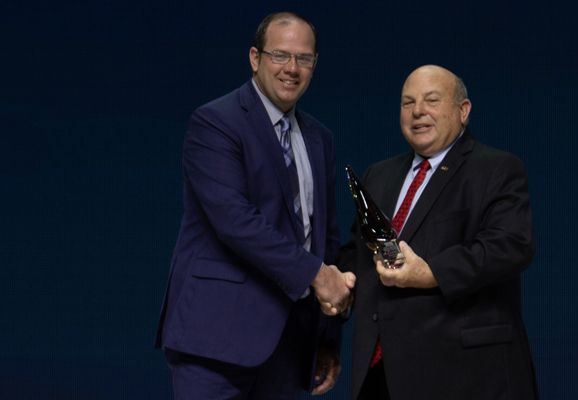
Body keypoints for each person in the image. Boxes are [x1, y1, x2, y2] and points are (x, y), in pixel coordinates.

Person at [155, 12, 355, 399]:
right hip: (215, 340)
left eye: (304, 58)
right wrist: (317, 276)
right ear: (254, 58)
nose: (292, 69)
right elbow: (235, 221)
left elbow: (324, 239)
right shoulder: (215, 122)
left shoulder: (319, 138)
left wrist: (327, 336)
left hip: (289, 344)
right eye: (280, 55)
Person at [339, 65, 538, 400]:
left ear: (463, 111)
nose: (418, 111)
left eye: (431, 100)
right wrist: (332, 278)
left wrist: (431, 273)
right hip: (382, 374)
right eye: (408, 102)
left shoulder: (497, 168)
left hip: (465, 376)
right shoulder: (380, 175)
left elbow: (510, 245)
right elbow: (359, 254)